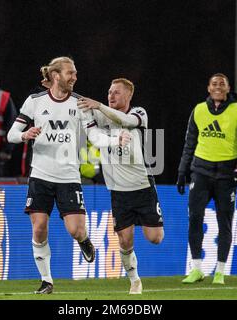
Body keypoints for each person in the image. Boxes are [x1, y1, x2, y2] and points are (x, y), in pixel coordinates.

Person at [7, 57, 130, 294]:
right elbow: (12, 133)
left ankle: (84, 241)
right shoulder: (35, 101)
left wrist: (115, 139)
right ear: (56, 75)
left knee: (76, 230)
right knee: (39, 227)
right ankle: (46, 281)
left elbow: (94, 137)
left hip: (68, 177)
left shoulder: (80, 103)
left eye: (75, 73)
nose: (74, 77)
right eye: (70, 73)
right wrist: (25, 135)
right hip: (40, 175)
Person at [77, 78, 164, 294]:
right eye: (109, 92)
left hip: (142, 186)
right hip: (118, 191)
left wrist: (98, 105)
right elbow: (80, 112)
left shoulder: (139, 113)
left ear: (128, 96)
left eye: (116, 92)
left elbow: (125, 120)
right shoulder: (100, 115)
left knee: (155, 238)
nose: (111, 95)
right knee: (125, 240)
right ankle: (135, 280)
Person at [176, 73, 237, 285]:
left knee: (225, 223)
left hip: (226, 176)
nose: (218, 86)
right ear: (208, 88)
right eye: (214, 83)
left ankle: (220, 271)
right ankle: (197, 269)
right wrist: (182, 171)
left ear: (228, 88)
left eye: (222, 84)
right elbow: (189, 143)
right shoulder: (199, 110)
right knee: (194, 218)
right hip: (200, 172)